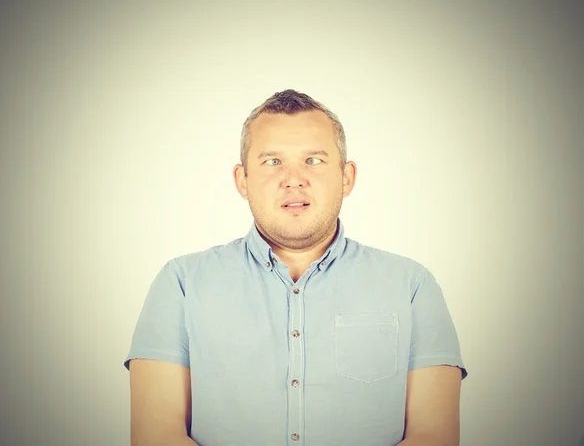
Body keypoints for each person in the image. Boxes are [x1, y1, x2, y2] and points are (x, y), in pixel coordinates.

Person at [124, 89, 468, 446]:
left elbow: (434, 436)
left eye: (313, 160)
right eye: (272, 161)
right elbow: (157, 436)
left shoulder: (412, 287)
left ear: (347, 177)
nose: (293, 178)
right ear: (242, 180)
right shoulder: (180, 284)